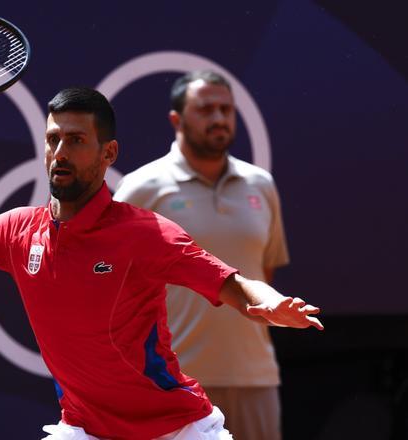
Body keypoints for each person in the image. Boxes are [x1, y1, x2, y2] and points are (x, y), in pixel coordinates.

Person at [0, 87, 322, 440]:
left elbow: (234, 286)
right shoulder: (14, 231)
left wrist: (271, 304)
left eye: (76, 141)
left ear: (108, 153)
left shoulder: (148, 235)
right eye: (53, 139)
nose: (60, 152)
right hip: (84, 430)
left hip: (177, 430)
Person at [113, 71, 291, 440]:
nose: (219, 118)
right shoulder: (140, 188)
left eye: (226, 109)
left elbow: (265, 273)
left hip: (256, 379)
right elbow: (111, 282)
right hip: (175, 384)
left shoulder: (261, 184)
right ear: (176, 119)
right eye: (206, 109)